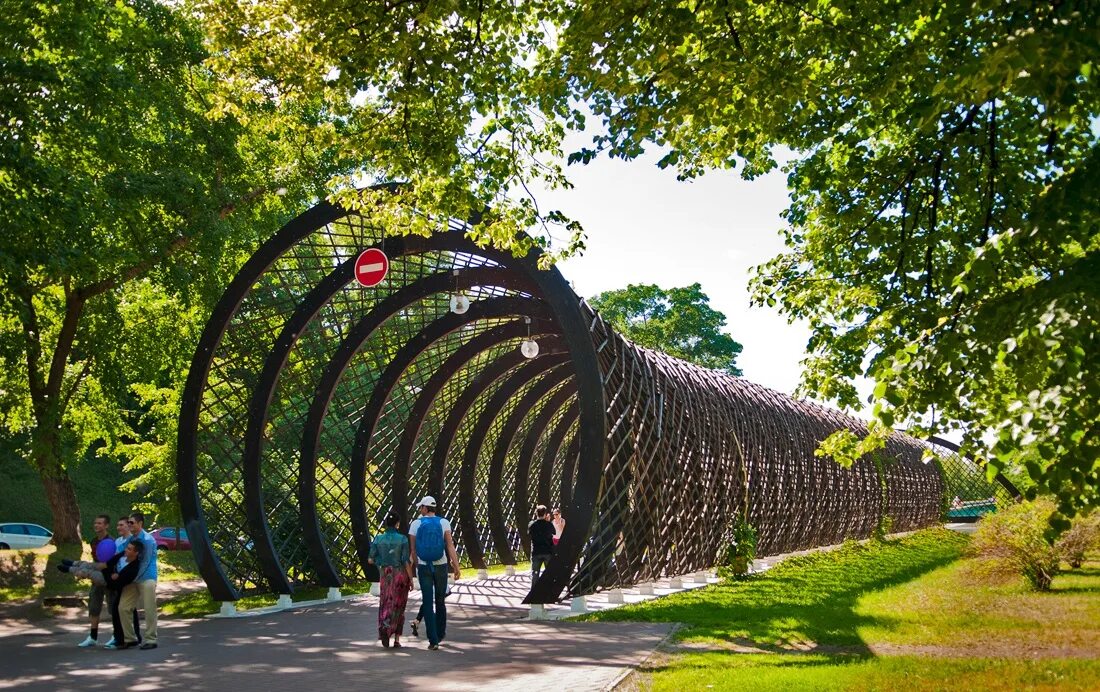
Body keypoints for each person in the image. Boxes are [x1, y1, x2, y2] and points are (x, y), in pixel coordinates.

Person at [408, 495, 461, 650]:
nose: (420, 509)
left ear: (425, 508)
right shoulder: (444, 522)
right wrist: (456, 566)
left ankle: (433, 640)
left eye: (421, 507)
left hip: (424, 567)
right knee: (440, 601)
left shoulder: (415, 524)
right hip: (441, 565)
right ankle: (440, 633)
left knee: (427, 601)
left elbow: (413, 550)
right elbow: (450, 546)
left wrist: (415, 568)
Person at [367, 512, 414, 648]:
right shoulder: (403, 539)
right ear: (397, 524)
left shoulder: (378, 539)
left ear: (386, 524)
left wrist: (382, 561)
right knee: (399, 606)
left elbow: (370, 559)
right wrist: (411, 579)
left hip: (385, 574)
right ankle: (397, 640)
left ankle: (384, 627)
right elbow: (406, 561)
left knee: (385, 602)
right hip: (400, 575)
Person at [74, 514, 117, 647]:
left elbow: (111, 563)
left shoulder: (112, 541)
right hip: (96, 578)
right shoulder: (93, 541)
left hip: (109, 579)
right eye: (95, 523)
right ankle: (93, 637)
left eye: (100, 523)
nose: (96, 525)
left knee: (113, 608)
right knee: (93, 607)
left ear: (106, 525)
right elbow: (95, 561)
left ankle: (116, 636)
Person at [119, 511, 158, 650]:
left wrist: (130, 577)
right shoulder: (130, 539)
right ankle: (130, 639)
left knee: (149, 608)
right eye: (128, 522)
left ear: (140, 524)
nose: (129, 525)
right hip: (133, 578)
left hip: (147, 577)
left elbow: (145, 562)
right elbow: (123, 555)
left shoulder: (148, 540)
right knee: (123, 607)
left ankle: (151, 640)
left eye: (131, 523)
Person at [528, 505, 556, 585]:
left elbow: (529, 532)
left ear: (536, 513)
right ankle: (550, 591)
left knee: (535, 574)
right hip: (547, 551)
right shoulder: (548, 524)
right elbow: (554, 532)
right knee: (550, 573)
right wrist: (548, 521)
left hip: (536, 551)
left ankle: (534, 593)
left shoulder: (532, 525)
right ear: (545, 514)